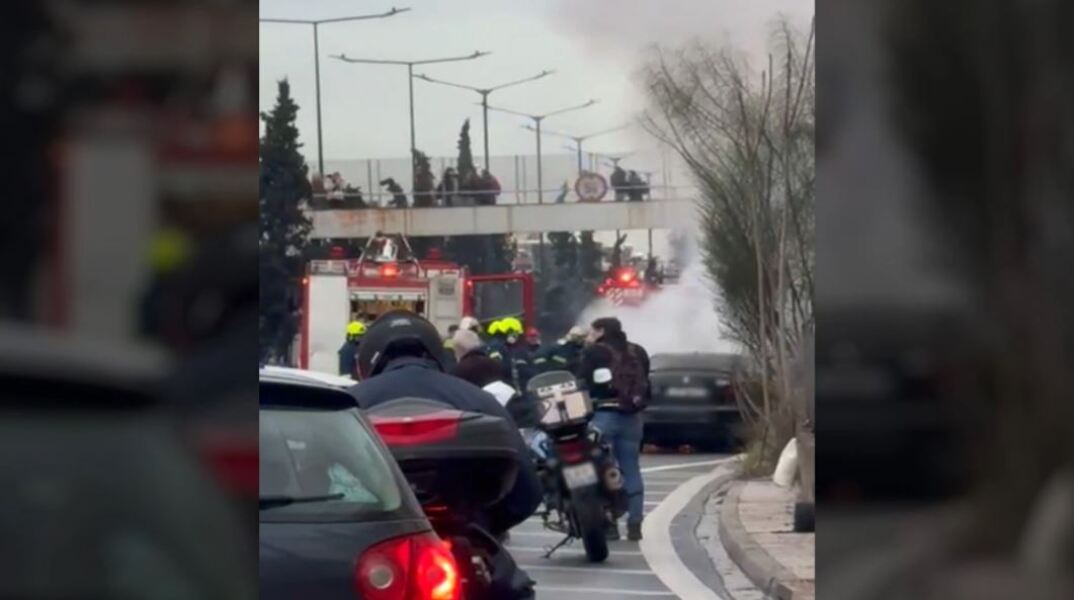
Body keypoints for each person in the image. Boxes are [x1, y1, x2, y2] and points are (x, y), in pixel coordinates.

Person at [351, 311, 542, 590]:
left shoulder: (348, 404)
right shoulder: (477, 399)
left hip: (371, 547)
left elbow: (314, 480)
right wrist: (484, 525)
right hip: (467, 539)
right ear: (439, 354)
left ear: (367, 359)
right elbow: (527, 492)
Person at [576, 317, 651, 541]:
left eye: (592, 330)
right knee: (632, 468)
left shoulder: (594, 352)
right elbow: (647, 380)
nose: (589, 334)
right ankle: (635, 522)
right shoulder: (638, 351)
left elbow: (582, 383)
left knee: (604, 470)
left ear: (601, 331)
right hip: (633, 417)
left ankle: (609, 522)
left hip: (603, 416)